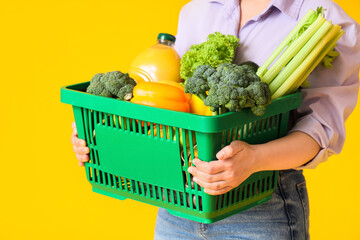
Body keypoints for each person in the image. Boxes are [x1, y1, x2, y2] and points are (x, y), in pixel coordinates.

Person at [70, 0, 360, 239]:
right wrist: (100, 135)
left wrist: (254, 158)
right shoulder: (197, 10)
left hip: (259, 206)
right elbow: (172, 107)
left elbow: (320, 132)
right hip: (179, 204)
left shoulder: (328, 22)